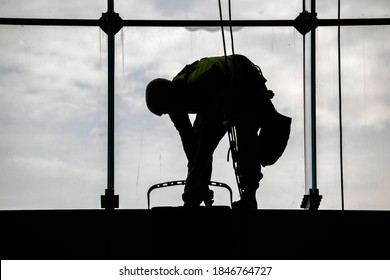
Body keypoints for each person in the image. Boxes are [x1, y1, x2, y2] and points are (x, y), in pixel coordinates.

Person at [145, 54, 288, 209]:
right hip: (217, 95)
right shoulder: (173, 102)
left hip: (243, 85)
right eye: (166, 111)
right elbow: (189, 142)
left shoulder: (200, 83)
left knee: (246, 140)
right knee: (198, 150)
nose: (171, 111)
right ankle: (195, 196)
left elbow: (208, 134)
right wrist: (196, 184)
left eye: (169, 108)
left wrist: (196, 174)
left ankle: (249, 197)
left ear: (171, 96)